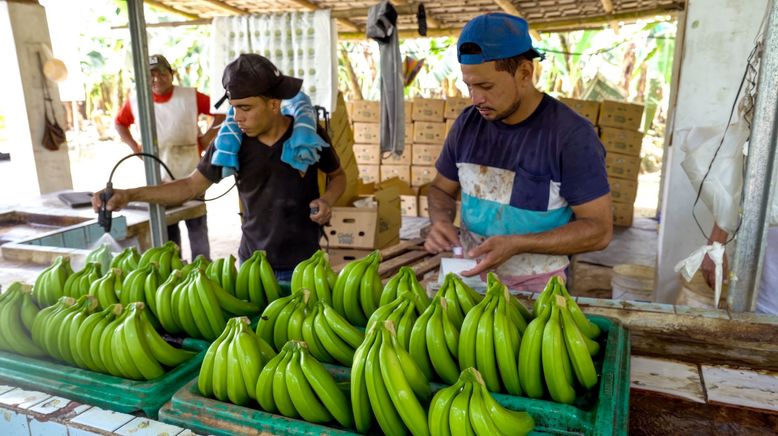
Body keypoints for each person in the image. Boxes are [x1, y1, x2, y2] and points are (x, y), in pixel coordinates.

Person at [97, 54, 346, 282]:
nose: (237, 117)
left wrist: (328, 199)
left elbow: (337, 177)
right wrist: (129, 195)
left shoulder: (307, 137)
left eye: (246, 108)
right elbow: (190, 186)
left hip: (305, 265)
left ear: (273, 104)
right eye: (234, 107)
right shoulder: (231, 142)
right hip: (253, 266)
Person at [424, 13, 613, 292]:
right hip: (470, 277)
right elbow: (440, 190)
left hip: (537, 285)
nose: (476, 99)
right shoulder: (467, 124)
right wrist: (440, 221)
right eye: (469, 86)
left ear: (524, 73)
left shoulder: (571, 136)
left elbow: (599, 230)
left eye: (486, 86)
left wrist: (518, 245)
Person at [114, 54, 225, 260]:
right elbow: (120, 122)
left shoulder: (189, 96)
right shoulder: (136, 100)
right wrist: (134, 147)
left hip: (192, 169)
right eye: (151, 75)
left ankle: (204, 266)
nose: (156, 79)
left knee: (197, 222)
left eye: (162, 74)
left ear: (171, 74)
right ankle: (175, 266)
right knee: (168, 226)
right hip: (158, 174)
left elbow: (221, 113)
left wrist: (206, 138)